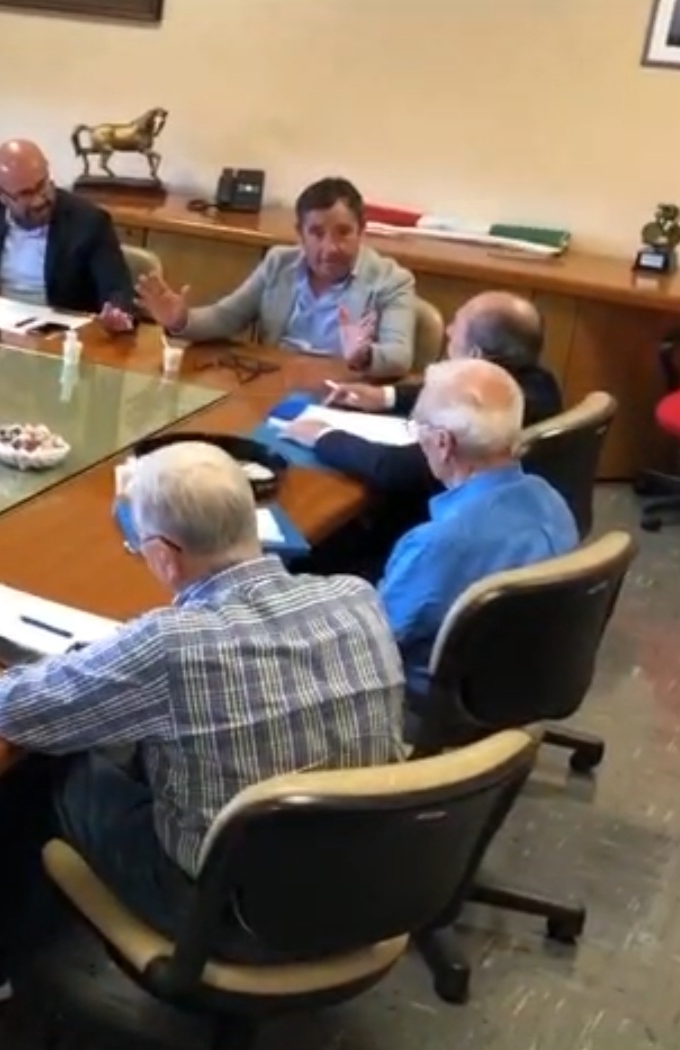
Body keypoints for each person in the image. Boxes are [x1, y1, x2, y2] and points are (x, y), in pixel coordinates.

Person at [0, 441, 405, 1006]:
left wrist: (81, 665)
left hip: (234, 921)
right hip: (368, 889)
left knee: (52, 758)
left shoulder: (172, 644)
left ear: (164, 557)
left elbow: (13, 712)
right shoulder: (356, 597)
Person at [277, 290, 567, 575]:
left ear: (476, 355)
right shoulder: (537, 385)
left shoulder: (505, 409)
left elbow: (396, 468)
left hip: (431, 542)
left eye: (456, 326)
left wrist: (324, 436)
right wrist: (385, 396)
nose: (448, 331)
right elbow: (465, 389)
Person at [376, 358, 579, 721]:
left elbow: (375, 640)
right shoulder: (552, 500)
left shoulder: (438, 545)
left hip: (437, 701)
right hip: (526, 678)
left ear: (443, 443)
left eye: (419, 427)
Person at [136, 177, 417, 375]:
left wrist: (364, 355)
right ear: (300, 234)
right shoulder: (279, 263)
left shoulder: (392, 280)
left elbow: (399, 356)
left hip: (340, 394)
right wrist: (180, 321)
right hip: (273, 384)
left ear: (361, 231)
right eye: (317, 233)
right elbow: (227, 316)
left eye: (343, 233)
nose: (330, 248)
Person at [0, 139, 137, 332]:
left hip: (57, 339)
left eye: (42, 185)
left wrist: (117, 312)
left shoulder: (89, 221)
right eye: (25, 194)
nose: (39, 200)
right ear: (2, 196)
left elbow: (118, 289)